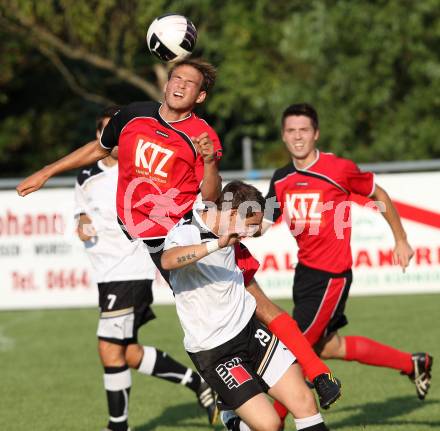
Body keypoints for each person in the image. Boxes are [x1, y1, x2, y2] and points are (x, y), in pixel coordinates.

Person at [16, 59, 340, 409]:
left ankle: (316, 374)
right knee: (218, 319)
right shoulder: (133, 115)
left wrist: (210, 162)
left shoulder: (203, 134)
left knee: (255, 303)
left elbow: (211, 195)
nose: (180, 84)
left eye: (190, 82)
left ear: (200, 96)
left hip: (193, 230)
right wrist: (47, 171)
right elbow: (100, 147)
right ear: (168, 82)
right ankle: (242, 399)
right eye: (176, 77)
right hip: (157, 243)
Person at [263, 103, 433, 423]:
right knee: (328, 348)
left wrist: (400, 239)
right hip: (304, 274)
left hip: (331, 277)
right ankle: (413, 363)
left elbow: (378, 193)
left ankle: (270, 422)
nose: (297, 136)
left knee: (294, 351)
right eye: (291, 131)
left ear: (316, 134)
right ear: (283, 137)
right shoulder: (281, 178)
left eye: (303, 130)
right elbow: (263, 222)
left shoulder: (338, 168)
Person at [74, 106, 216, 431]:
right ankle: (199, 385)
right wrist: (81, 221)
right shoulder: (86, 176)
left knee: (109, 350)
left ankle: (117, 426)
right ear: (99, 136)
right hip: (106, 274)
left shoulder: (138, 170)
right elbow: (80, 211)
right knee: (129, 353)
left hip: (131, 270)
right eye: (104, 131)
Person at [161, 181, 331, 431]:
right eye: (250, 226)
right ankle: (234, 421)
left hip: (250, 331)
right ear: (232, 214)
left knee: (304, 401)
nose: (251, 234)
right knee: (270, 425)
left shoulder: (228, 220)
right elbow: (167, 260)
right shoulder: (187, 231)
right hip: (216, 350)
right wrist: (216, 244)